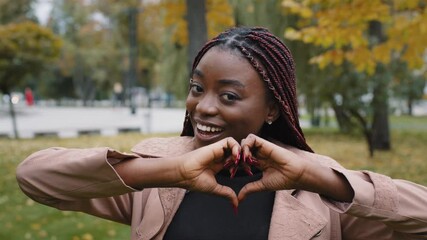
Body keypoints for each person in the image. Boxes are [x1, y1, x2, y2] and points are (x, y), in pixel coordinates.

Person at [16, 27, 427, 240]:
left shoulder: (319, 189)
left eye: (228, 95)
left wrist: (317, 177)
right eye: (197, 88)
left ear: (271, 109)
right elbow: (35, 178)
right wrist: (167, 172)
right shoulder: (160, 170)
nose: (204, 107)